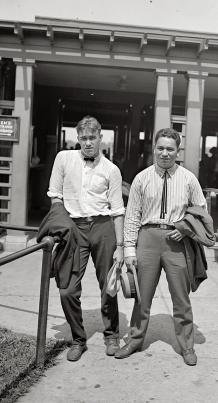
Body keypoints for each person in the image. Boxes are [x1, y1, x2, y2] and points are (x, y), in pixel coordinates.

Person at [115, 128, 209, 366]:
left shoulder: (188, 178)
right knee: (141, 296)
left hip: (176, 241)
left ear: (178, 151)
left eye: (170, 149)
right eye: (161, 148)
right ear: (154, 148)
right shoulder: (141, 178)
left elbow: (201, 210)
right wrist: (129, 250)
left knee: (181, 297)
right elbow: (132, 216)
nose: (165, 153)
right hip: (147, 239)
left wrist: (186, 228)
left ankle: (187, 346)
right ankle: (135, 340)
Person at [44, 116, 125, 361]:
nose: (88, 142)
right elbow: (55, 196)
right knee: (67, 289)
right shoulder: (64, 159)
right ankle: (78, 339)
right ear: (77, 139)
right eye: (83, 138)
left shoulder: (111, 169)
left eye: (92, 138)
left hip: (103, 227)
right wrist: (63, 227)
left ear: (101, 138)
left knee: (108, 285)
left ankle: (111, 334)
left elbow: (118, 210)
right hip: (74, 227)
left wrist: (120, 246)